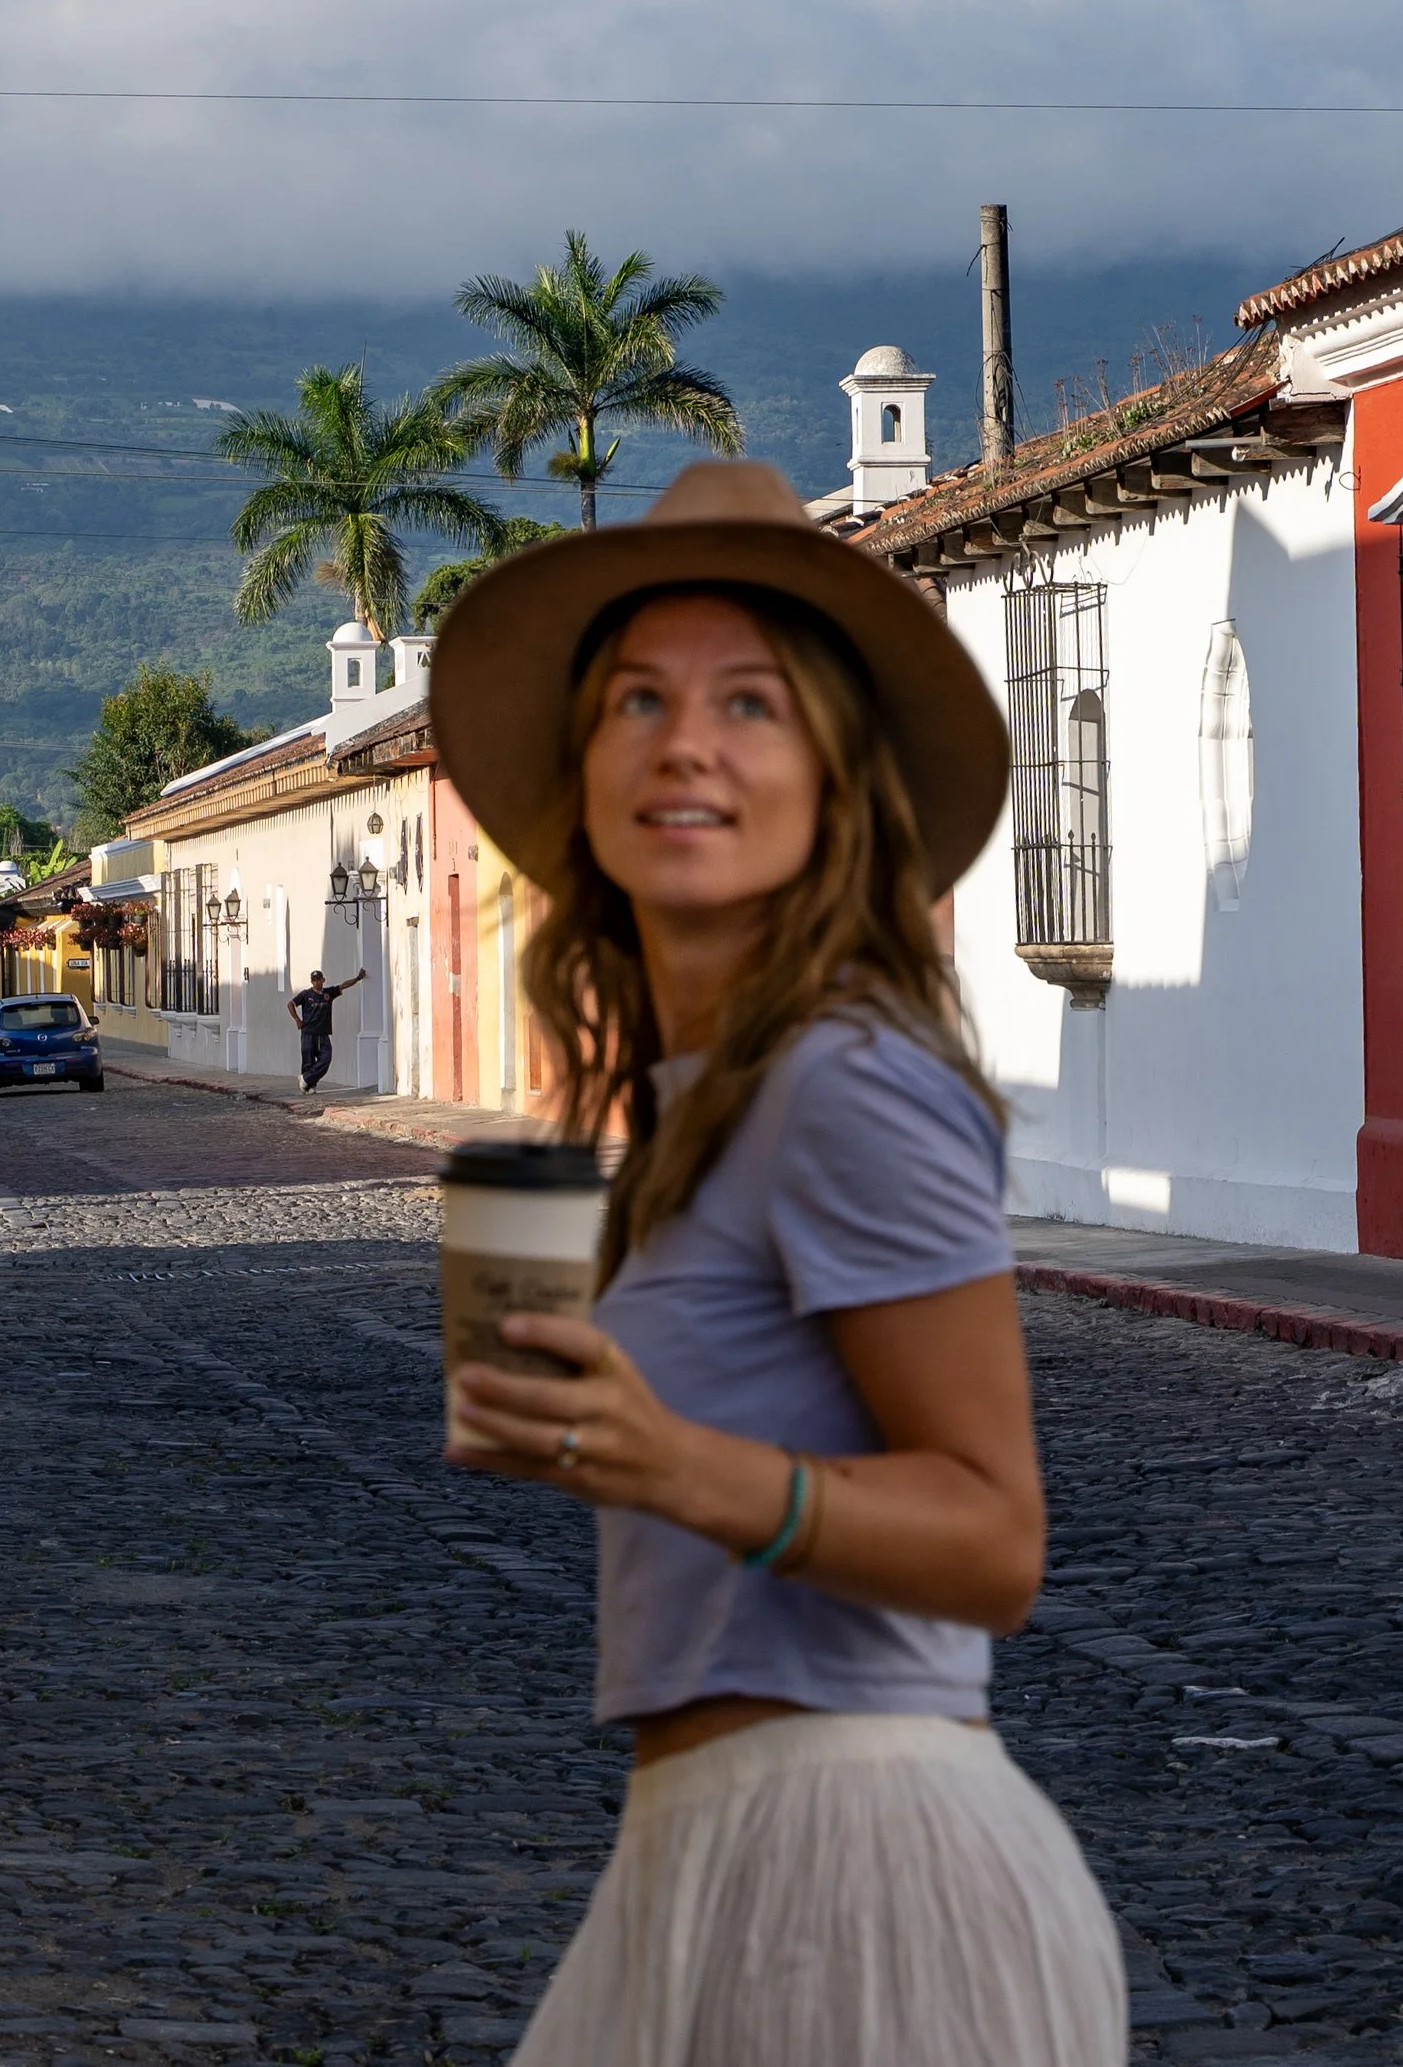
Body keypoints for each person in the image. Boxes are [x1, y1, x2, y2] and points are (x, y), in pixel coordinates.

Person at [433, 458, 1126, 2067]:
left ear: (836, 776)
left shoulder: (845, 1080)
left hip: (868, 1885)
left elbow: (996, 1537)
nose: (686, 741)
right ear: (585, 772)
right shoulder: (698, 1108)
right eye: (636, 700)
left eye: (752, 703)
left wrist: (680, 1464)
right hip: (711, 1850)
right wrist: (601, 1442)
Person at [285, 965, 360, 1093]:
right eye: (314, 980)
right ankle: (308, 1086)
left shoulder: (328, 993)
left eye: (319, 979)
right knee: (308, 1060)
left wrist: (357, 978)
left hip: (323, 1033)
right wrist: (298, 1020)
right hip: (308, 1032)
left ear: (323, 980)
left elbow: (343, 986)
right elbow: (290, 1004)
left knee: (326, 1058)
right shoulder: (305, 994)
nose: (316, 982)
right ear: (311, 981)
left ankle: (305, 1079)